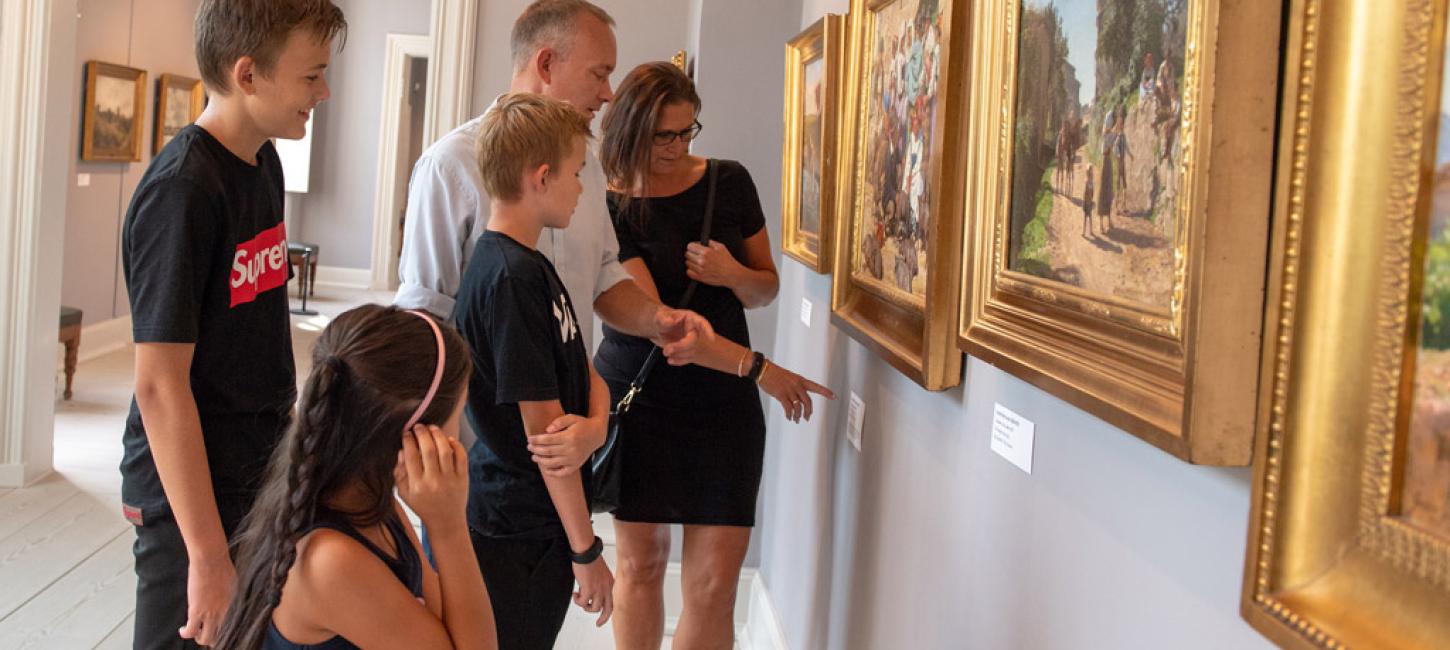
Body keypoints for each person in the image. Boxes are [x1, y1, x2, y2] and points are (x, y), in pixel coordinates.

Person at [119, 1, 345, 647]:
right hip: (189, 494)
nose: (323, 91)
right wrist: (207, 554)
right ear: (248, 75)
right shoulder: (183, 191)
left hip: (255, 467)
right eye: (311, 76)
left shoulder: (262, 161)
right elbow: (160, 386)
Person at [597, 61, 836, 650]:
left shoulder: (729, 182)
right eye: (664, 135)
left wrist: (732, 273)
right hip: (641, 396)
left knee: (711, 587)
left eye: (687, 131)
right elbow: (670, 331)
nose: (678, 147)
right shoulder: (606, 202)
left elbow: (766, 288)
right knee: (641, 565)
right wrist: (762, 369)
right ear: (631, 129)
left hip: (721, 407)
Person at [393, 0, 709, 358]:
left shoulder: (587, 165)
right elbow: (424, 314)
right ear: (546, 65)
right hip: (480, 412)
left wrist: (660, 320)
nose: (608, 94)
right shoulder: (451, 165)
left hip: (573, 407)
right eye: (599, 74)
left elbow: (605, 277)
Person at [215, 305, 495, 650]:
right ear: (416, 435)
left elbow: (442, 621)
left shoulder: (374, 502)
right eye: (459, 414)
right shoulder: (330, 561)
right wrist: (449, 530)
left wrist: (442, 524)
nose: (461, 435)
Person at [452, 93, 613, 650]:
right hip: (515, 527)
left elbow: (584, 371)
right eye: (576, 173)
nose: (581, 187)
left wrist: (595, 426)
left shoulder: (531, 263)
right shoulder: (510, 279)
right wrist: (586, 551)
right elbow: (548, 440)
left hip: (533, 519)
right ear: (541, 177)